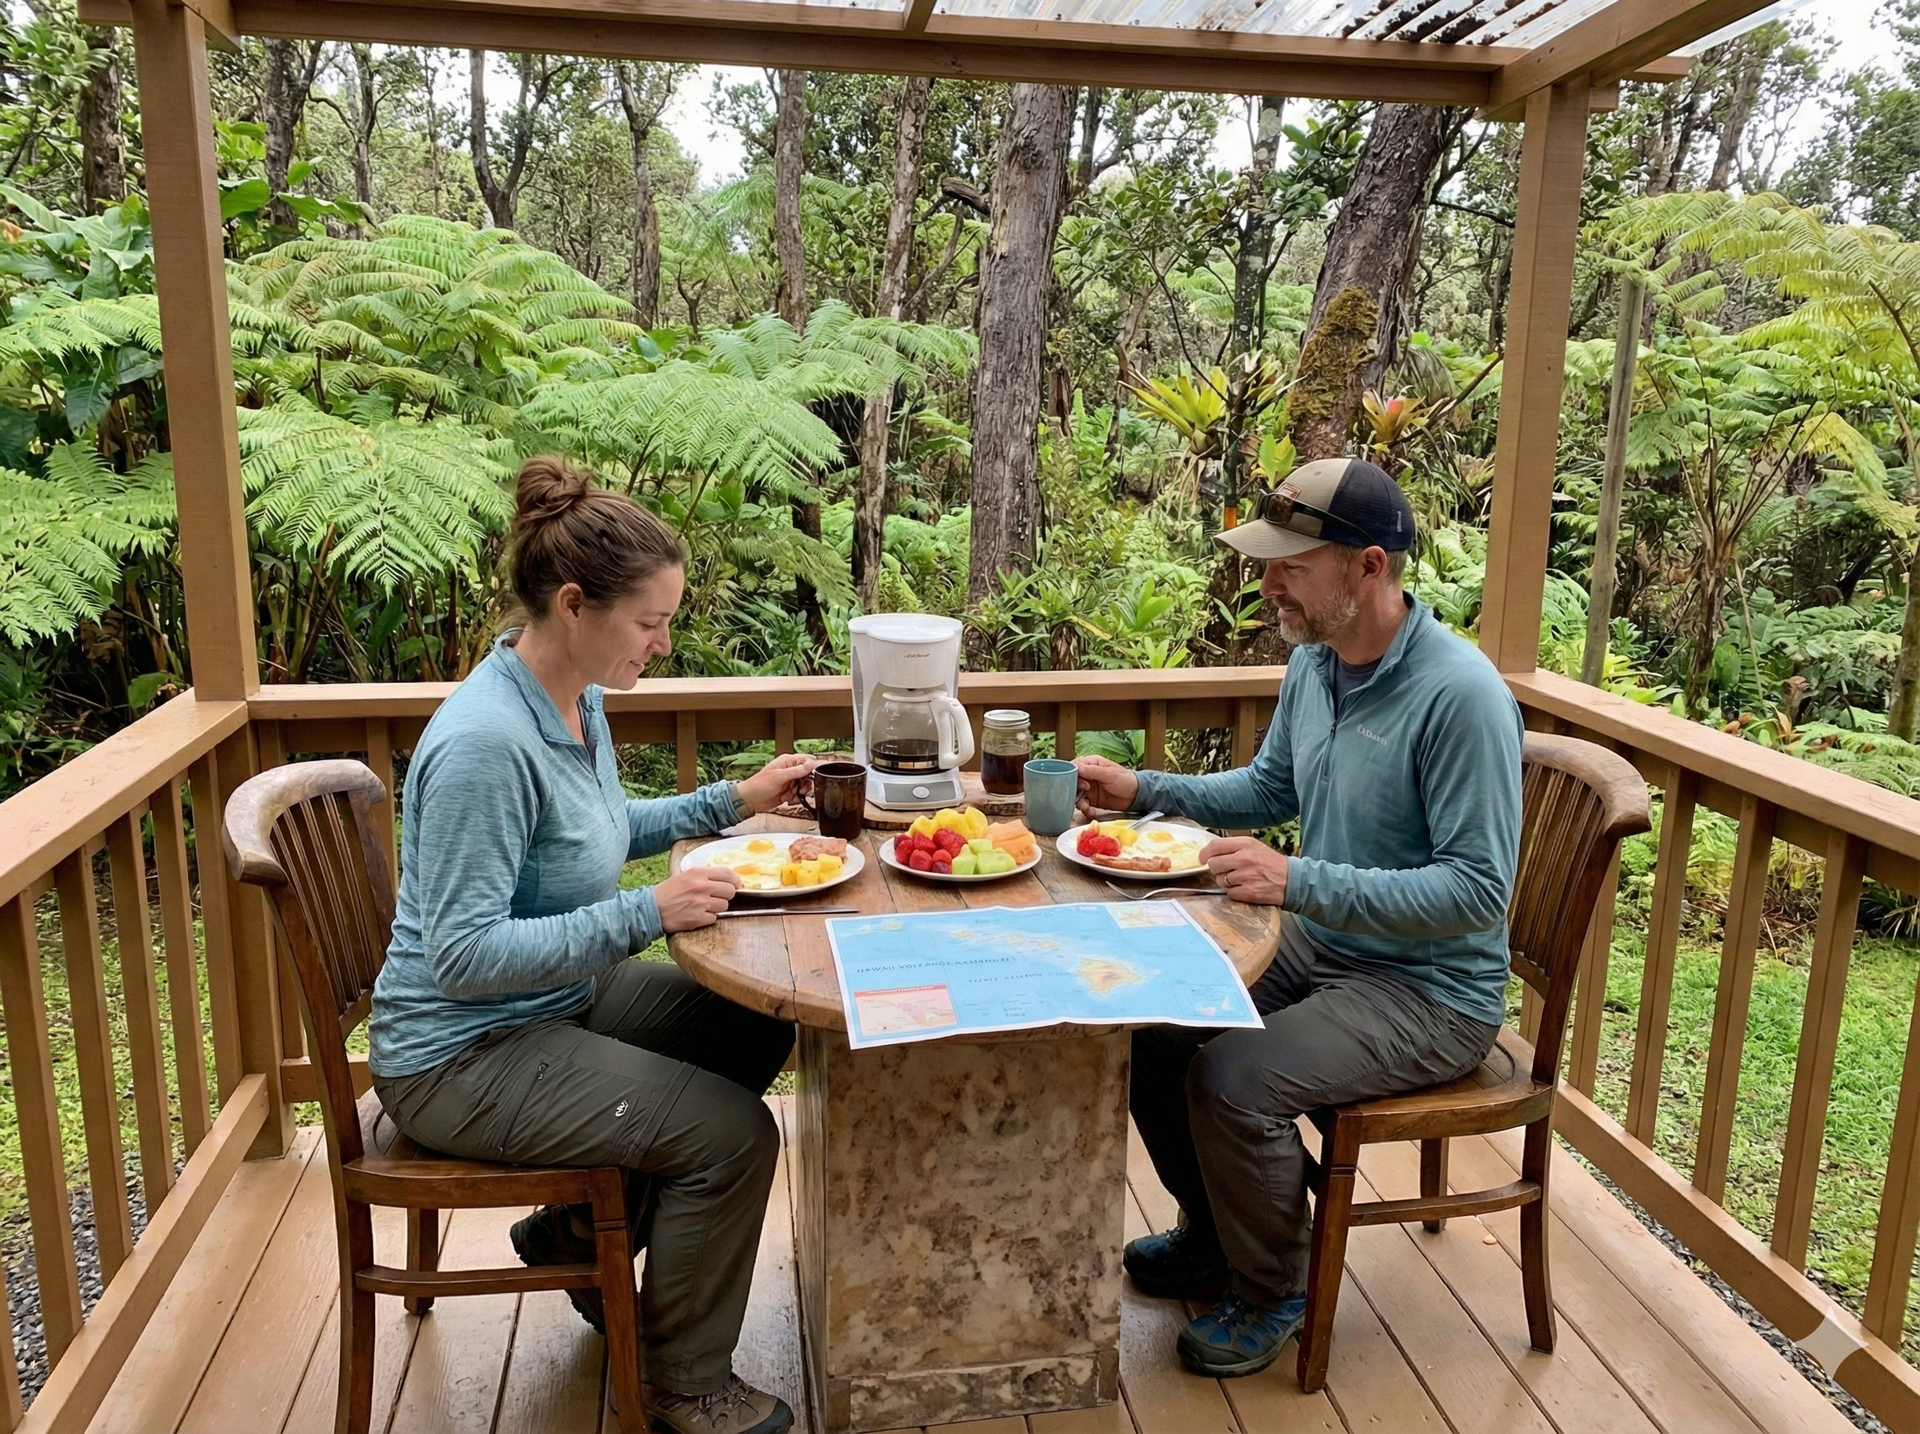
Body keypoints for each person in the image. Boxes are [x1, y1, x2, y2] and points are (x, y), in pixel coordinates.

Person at [370, 456, 807, 1434]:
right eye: (650, 622)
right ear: (574, 602)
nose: (662, 643)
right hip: (460, 1052)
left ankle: (574, 1234)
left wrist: (735, 802)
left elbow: (598, 833)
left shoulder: (574, 699)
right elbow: (465, 957)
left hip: (547, 1004)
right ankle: (679, 1380)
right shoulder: (486, 744)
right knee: (732, 1138)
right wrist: (649, 912)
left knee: (749, 1028)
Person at [1075, 457, 1522, 1380]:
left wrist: (1299, 881)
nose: (1267, 581)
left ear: (1368, 567)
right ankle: (1214, 1234)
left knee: (1233, 1077)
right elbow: (1272, 787)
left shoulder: (1461, 698)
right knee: (1152, 1029)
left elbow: (1477, 893)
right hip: (1327, 947)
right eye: (1266, 561)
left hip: (1432, 989)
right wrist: (1144, 789)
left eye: (1290, 564)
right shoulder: (1317, 665)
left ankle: (1277, 1284)